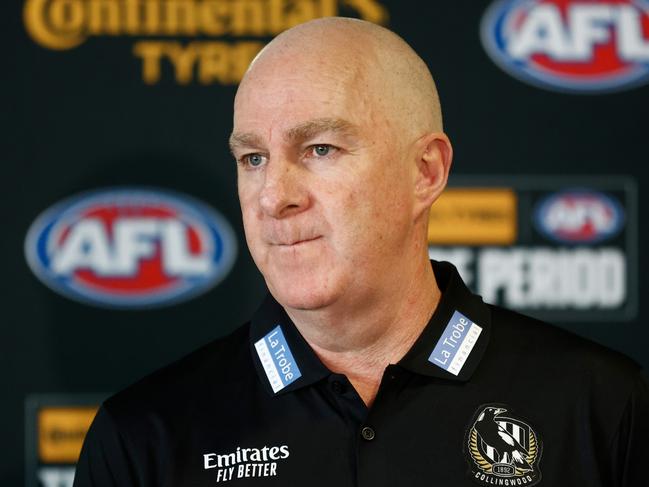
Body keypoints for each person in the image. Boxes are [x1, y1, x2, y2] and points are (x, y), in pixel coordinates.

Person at [73, 17, 649, 487]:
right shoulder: (141, 439)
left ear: (426, 172)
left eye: (320, 149)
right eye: (253, 159)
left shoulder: (603, 408)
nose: (275, 196)